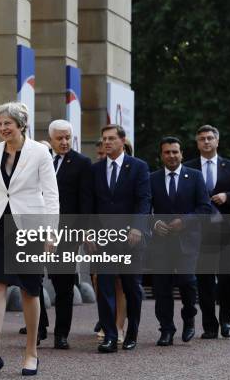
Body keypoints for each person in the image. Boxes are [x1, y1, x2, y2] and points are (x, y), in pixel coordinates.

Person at [0, 102, 59, 376]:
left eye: (7, 124)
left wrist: (51, 232)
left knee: (29, 290)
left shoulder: (40, 152)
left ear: (21, 125)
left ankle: (31, 353)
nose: (2, 128)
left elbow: (51, 195)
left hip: (30, 227)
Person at [20, 120, 93, 349]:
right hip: (35, 228)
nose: (64, 142)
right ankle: (39, 328)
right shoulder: (39, 159)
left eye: (67, 137)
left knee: (63, 285)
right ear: (50, 139)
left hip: (67, 232)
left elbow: (85, 201)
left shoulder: (82, 163)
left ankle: (61, 333)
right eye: (59, 138)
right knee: (32, 280)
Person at [184, 125, 230, 339]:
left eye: (210, 138)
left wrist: (227, 196)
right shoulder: (189, 168)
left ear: (217, 141)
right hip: (201, 233)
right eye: (202, 139)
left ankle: (226, 321)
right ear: (197, 143)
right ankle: (210, 326)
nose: (206, 142)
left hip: (226, 232)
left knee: (227, 279)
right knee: (204, 280)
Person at [91, 124, 151, 353]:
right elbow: (90, 204)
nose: (107, 142)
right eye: (104, 139)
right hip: (104, 238)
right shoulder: (95, 170)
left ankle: (132, 333)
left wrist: (137, 227)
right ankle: (109, 335)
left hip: (130, 239)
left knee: (131, 287)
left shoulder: (138, 167)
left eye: (112, 139)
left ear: (122, 141)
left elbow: (144, 199)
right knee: (104, 285)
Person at [149, 136, 212, 346]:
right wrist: (154, 223)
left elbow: (205, 208)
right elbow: (145, 209)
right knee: (162, 289)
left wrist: (184, 222)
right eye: (167, 152)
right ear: (161, 156)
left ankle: (189, 318)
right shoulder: (152, 179)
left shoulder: (194, 177)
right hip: (161, 243)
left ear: (182, 154)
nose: (171, 156)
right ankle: (166, 329)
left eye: (175, 152)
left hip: (187, 241)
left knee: (187, 282)